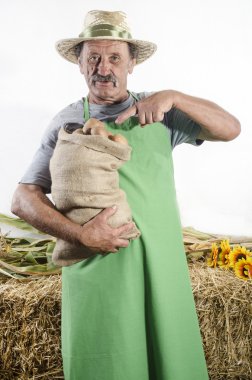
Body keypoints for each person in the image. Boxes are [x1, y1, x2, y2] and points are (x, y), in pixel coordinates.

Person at [11, 9, 240, 380]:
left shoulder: (162, 112)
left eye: (115, 57)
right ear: (80, 64)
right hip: (99, 273)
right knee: (106, 366)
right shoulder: (66, 123)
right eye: (94, 58)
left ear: (132, 63)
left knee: (172, 366)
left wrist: (174, 96)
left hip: (161, 272)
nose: (104, 68)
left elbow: (230, 128)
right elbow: (22, 199)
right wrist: (81, 235)